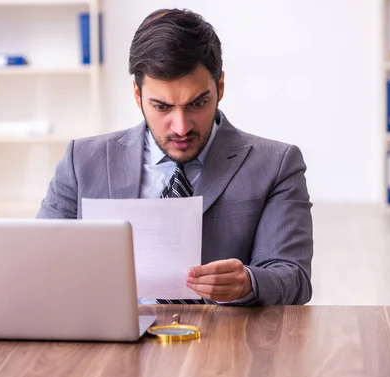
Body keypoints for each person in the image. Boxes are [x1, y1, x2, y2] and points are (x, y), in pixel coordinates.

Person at [36, 8, 313, 306]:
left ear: (219, 87)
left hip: (223, 344)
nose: (181, 127)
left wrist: (249, 283)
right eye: (162, 107)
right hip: (111, 339)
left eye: (198, 103)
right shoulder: (83, 161)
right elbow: (37, 264)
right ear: (137, 95)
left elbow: (294, 278)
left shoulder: (276, 164)